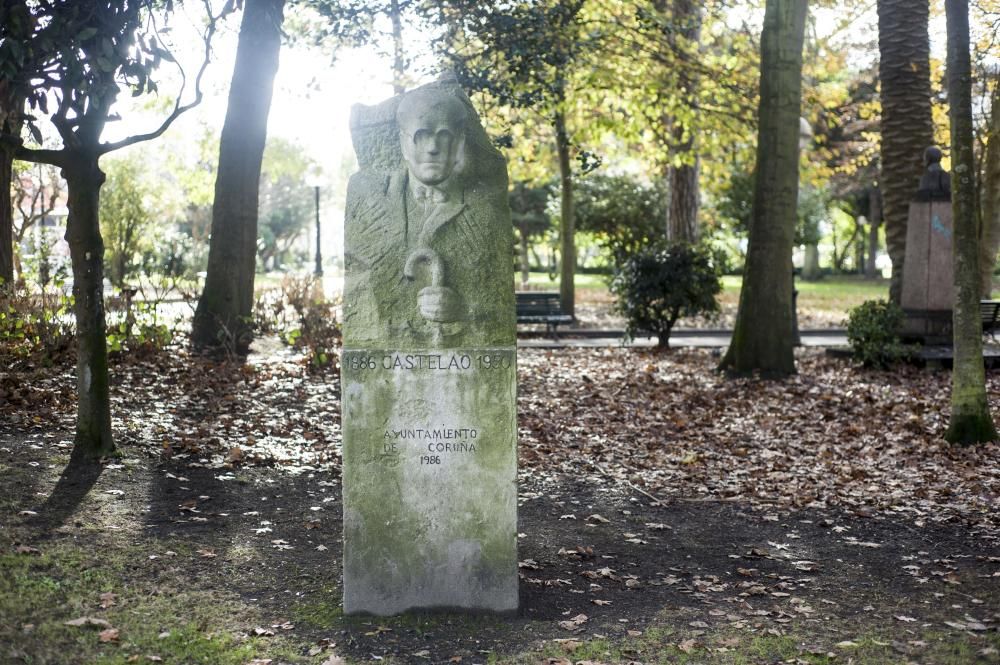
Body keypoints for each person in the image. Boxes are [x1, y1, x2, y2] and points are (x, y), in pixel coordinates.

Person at [343, 84, 513, 348]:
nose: (433, 147)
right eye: (421, 135)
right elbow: (361, 289)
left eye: (443, 135)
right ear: (403, 142)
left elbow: (500, 305)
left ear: (459, 143)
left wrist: (462, 310)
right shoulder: (368, 201)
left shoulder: (485, 211)